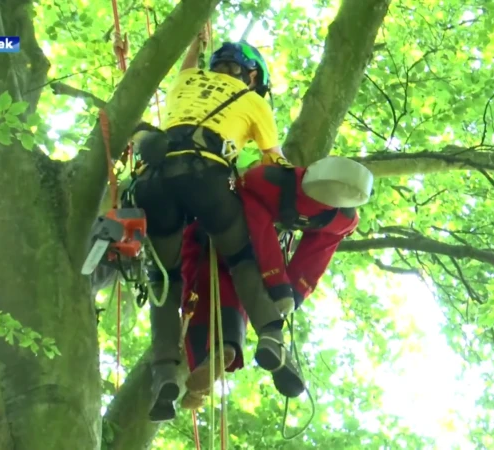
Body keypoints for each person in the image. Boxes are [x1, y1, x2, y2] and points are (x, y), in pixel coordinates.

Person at [130, 30, 305, 423]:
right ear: (253, 76)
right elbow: (273, 163)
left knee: (164, 282)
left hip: (153, 182)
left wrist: (195, 34)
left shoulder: (186, 81)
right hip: (207, 180)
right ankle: (272, 337)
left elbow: (188, 62)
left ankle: (164, 377)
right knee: (242, 259)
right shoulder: (252, 102)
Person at [177, 152, 372, 410]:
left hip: (221, 239)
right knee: (242, 297)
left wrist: (284, 288)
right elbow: (313, 260)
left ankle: (206, 363)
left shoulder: (266, 179)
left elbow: (262, 233)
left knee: (202, 291)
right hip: (256, 253)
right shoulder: (342, 219)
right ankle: (263, 342)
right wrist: (288, 290)